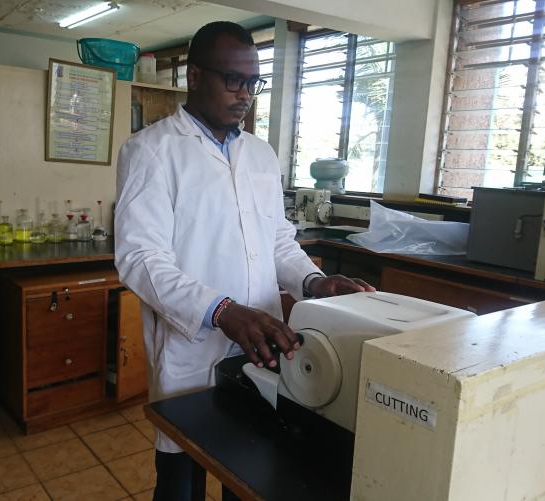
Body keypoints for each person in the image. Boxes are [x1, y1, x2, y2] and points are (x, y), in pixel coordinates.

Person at [115, 21, 374, 501]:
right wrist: (223, 312)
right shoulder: (151, 151)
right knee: (182, 480)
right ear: (194, 77)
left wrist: (315, 284)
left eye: (253, 83)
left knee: (252, 471)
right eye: (233, 80)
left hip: (262, 342)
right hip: (192, 347)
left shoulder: (260, 154)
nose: (245, 94)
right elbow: (140, 258)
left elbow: (277, 240)